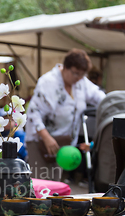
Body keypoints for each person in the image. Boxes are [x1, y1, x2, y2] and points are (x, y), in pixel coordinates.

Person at [25, 49, 106, 181]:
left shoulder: (81, 82)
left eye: (82, 75)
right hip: (40, 140)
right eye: (75, 73)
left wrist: (113, 103)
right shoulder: (48, 82)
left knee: (56, 183)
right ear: (65, 68)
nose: (78, 78)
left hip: (63, 141)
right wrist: (46, 138)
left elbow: (100, 98)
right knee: (41, 181)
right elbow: (34, 112)